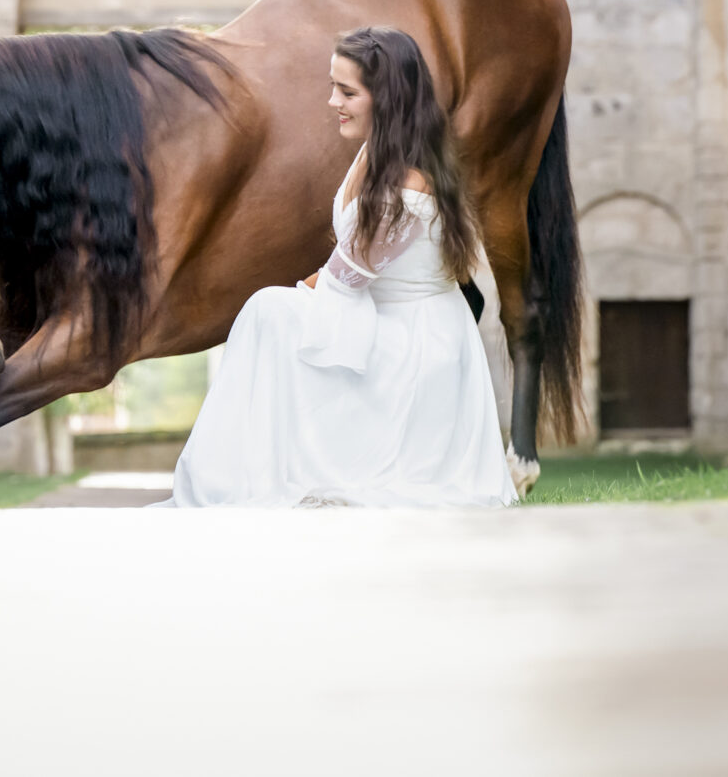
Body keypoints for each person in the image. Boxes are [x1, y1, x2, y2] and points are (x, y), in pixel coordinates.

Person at [168, 26, 518, 508]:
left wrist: (292, 301)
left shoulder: (409, 188)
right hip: (379, 319)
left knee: (268, 313)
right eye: (333, 86)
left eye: (347, 91)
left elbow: (345, 277)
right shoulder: (375, 154)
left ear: (388, 99)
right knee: (271, 313)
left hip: (416, 345)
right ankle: (243, 475)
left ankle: (240, 478)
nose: (333, 101)